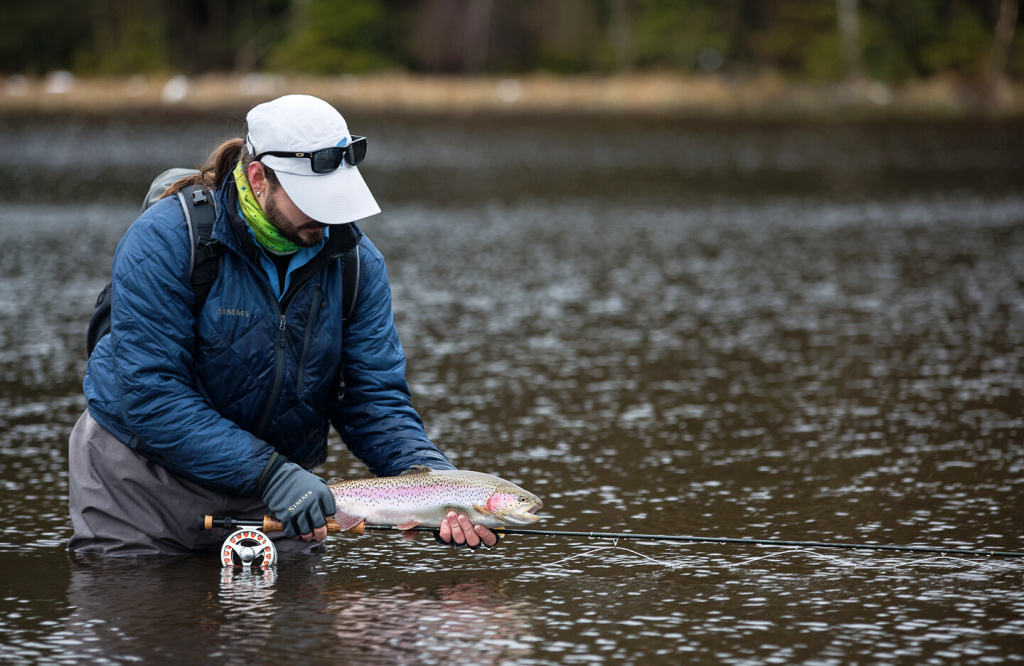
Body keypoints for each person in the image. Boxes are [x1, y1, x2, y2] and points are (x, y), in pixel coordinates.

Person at [69, 94, 498, 555]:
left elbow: (374, 401)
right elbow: (150, 393)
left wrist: (440, 487)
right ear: (259, 179)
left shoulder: (357, 265)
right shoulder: (164, 241)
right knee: (142, 612)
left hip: (280, 487)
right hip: (141, 480)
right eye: (313, 200)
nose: (328, 217)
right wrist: (271, 472)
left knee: (287, 625)